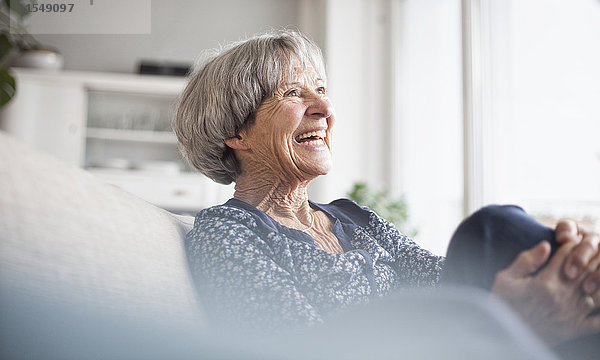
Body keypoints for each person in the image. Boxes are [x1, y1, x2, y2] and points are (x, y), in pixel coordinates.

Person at [173, 30, 600, 353]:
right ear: (236, 133)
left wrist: (545, 271)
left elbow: (450, 276)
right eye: (292, 93)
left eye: (320, 89)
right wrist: (504, 319)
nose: (324, 108)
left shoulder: (352, 218)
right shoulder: (227, 233)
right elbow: (299, 349)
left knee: (490, 230)